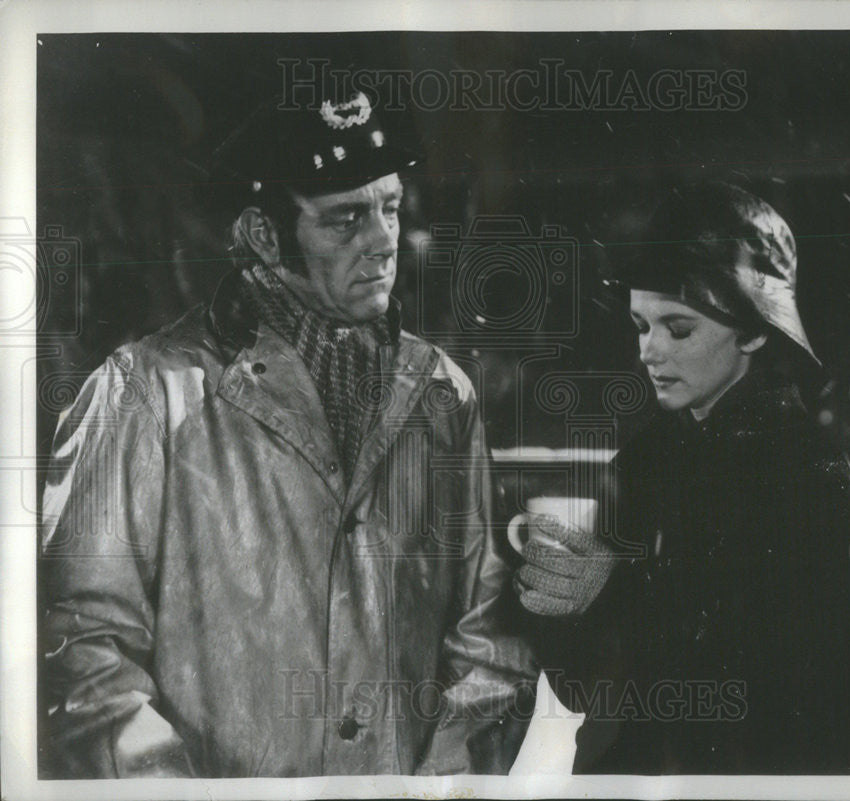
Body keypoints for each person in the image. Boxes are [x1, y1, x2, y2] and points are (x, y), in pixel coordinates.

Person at [41, 90, 535, 777]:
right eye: (345, 220)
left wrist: (440, 790)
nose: (385, 239)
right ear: (264, 236)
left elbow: (489, 638)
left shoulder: (443, 392)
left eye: (390, 207)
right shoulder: (142, 395)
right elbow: (84, 652)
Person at [513, 182, 850, 774]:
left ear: (754, 331)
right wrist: (556, 611)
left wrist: (615, 595)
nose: (649, 351)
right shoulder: (645, 461)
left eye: (679, 329)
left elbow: (794, 713)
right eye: (641, 325)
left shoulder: (812, 482)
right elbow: (584, 694)